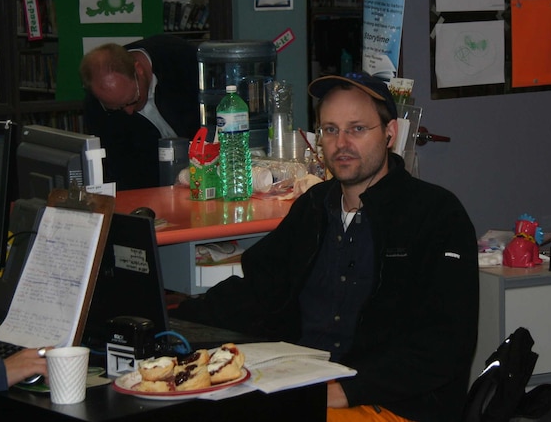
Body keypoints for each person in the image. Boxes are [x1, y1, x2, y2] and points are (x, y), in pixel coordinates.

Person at [174, 71, 479, 422]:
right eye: (330, 130)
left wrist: (347, 390)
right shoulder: (314, 207)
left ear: (391, 134)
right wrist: (176, 323)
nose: (341, 143)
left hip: (391, 404)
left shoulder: (435, 215)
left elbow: (445, 344)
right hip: (303, 383)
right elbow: (259, 291)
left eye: (357, 129)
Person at [79, 35, 200, 190]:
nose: (128, 111)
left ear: (139, 70)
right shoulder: (98, 107)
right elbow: (121, 172)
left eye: (132, 100)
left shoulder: (182, 60)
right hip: (154, 189)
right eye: (117, 108)